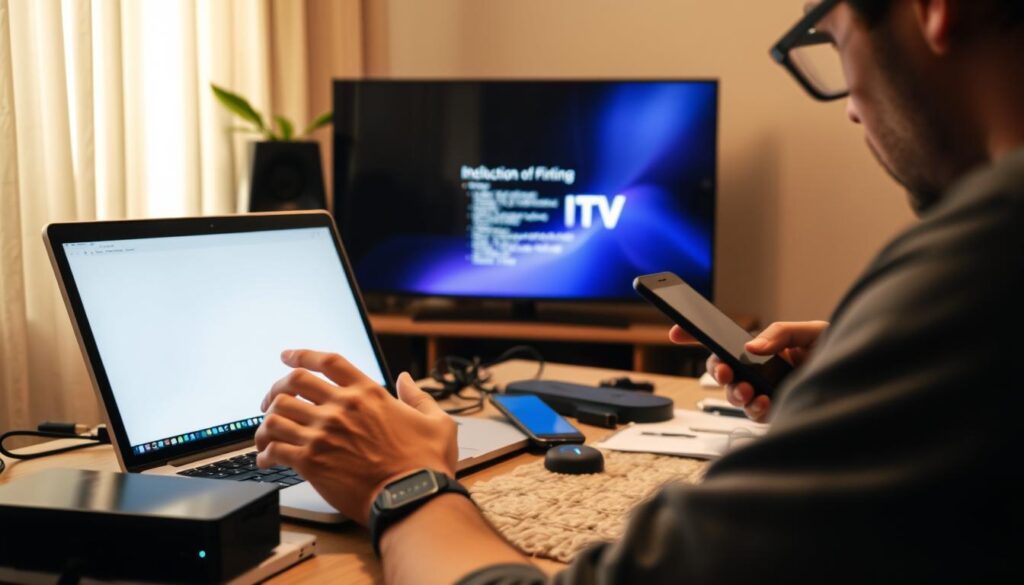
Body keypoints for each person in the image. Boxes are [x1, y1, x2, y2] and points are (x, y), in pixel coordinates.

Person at [254, 0, 1024, 582]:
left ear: (932, 9)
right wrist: (871, 386)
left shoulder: (985, 262)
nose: (850, 100)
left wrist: (403, 480)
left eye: (831, 37)